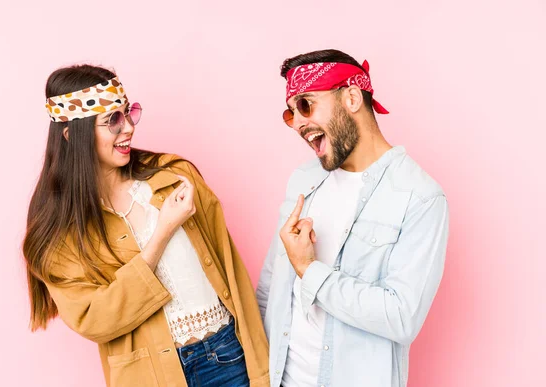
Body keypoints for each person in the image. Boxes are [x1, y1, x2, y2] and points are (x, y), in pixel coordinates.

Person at [23, 64, 269, 387]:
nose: (128, 129)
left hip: (226, 359)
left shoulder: (174, 178)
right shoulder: (59, 232)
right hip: (149, 377)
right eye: (112, 120)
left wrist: (263, 367)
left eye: (128, 113)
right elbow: (96, 318)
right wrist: (163, 231)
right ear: (71, 134)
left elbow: (231, 271)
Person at [256, 49, 449, 387]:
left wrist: (310, 271)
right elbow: (270, 290)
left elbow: (402, 317)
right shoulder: (303, 180)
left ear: (352, 97)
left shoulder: (420, 197)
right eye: (290, 114)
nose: (298, 123)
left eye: (305, 105)